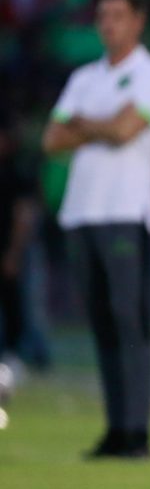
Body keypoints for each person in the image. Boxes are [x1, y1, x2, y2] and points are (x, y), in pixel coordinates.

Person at [41, 0, 150, 459]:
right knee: (100, 322)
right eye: (102, 15)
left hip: (125, 211)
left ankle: (137, 431)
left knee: (128, 319)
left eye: (118, 15)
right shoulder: (84, 77)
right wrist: (96, 125)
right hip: (81, 211)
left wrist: (84, 124)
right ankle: (115, 428)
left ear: (138, 21)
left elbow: (125, 131)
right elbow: (52, 140)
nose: (107, 24)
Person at [0, 118, 38, 370]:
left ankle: (15, 356)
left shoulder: (16, 172)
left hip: (6, 248)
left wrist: (14, 251)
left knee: (14, 301)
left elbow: (25, 213)